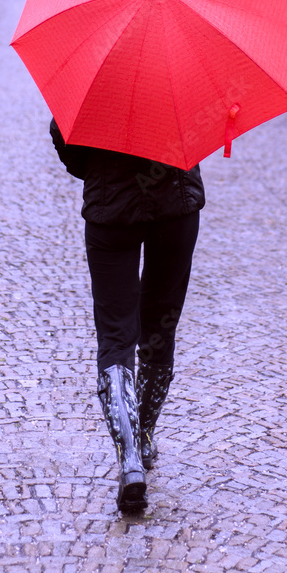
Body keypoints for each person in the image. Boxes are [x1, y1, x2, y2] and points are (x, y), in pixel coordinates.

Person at [50, 119, 205, 513]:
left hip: (110, 210)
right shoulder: (180, 87)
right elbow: (202, 128)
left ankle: (130, 457)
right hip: (175, 207)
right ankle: (145, 434)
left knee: (116, 336)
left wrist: (101, 172)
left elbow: (64, 134)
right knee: (161, 325)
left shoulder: (96, 90)